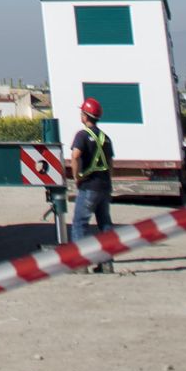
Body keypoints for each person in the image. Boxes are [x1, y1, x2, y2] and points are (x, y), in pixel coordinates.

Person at [70, 95, 115, 271]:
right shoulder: (105, 138)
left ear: (85, 116)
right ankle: (107, 263)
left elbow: (75, 156)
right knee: (105, 224)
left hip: (89, 186)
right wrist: (107, 181)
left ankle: (80, 264)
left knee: (79, 223)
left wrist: (76, 177)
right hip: (104, 186)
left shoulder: (82, 135)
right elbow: (110, 163)